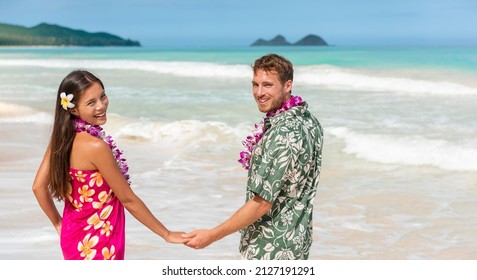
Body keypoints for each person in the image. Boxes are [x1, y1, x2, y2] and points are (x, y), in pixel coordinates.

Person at [32, 70, 188, 260]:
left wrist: (58, 224)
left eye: (103, 96)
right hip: (100, 242)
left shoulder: (60, 140)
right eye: (91, 102)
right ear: (73, 109)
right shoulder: (96, 146)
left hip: (73, 237)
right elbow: (128, 199)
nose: (101, 106)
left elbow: (38, 187)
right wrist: (166, 234)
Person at [183, 53, 324, 260]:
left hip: (270, 249)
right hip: (296, 242)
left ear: (287, 85)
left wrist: (212, 235)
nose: (259, 92)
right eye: (255, 84)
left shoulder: (284, 134)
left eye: (267, 85)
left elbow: (262, 202)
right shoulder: (309, 121)